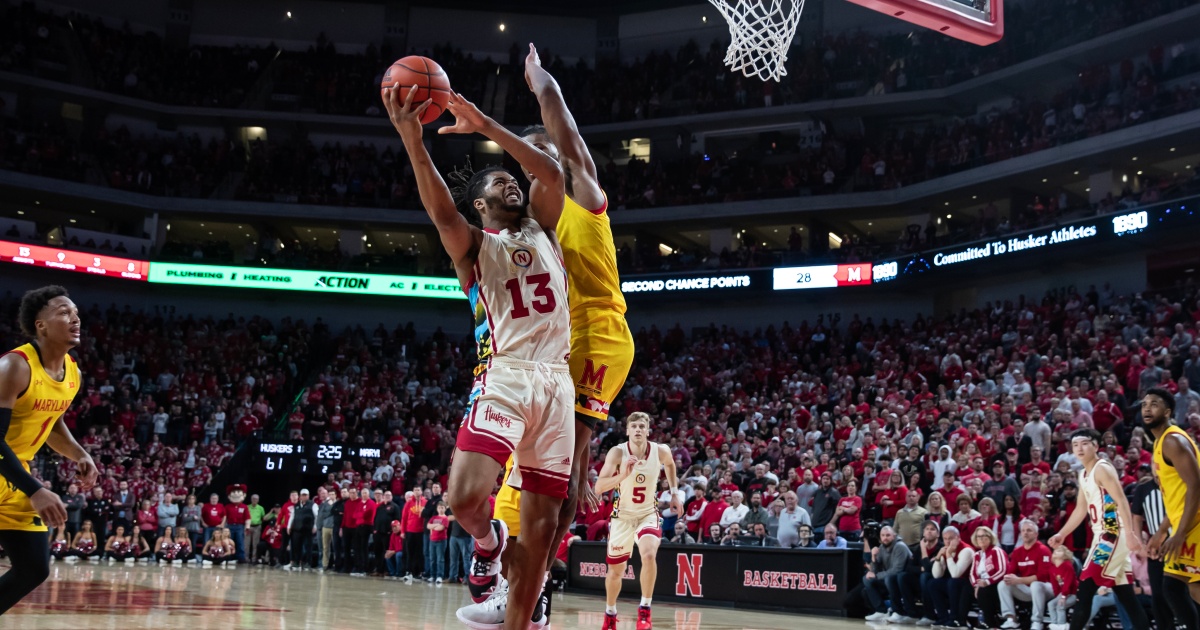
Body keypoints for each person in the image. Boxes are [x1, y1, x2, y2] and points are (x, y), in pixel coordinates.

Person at [384, 73, 570, 630]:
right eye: (496, 182)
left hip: (556, 381)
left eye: (511, 179)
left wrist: (488, 126)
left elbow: (551, 172)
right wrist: (413, 140)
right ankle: (488, 543)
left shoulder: (545, 226)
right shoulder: (472, 248)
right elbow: (442, 214)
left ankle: (519, 618)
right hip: (506, 377)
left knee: (541, 535)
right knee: (464, 499)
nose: (509, 183)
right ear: (481, 205)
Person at [0, 286, 98, 615]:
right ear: (41, 325)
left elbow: (51, 423)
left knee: (33, 568)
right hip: (15, 473)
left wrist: (79, 454)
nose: (75, 319)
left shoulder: (72, 374)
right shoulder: (15, 366)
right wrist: (36, 489)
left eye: (76, 313)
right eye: (63, 312)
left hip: (12, 474)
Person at [1049, 428, 1151, 630]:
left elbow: (1122, 500)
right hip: (1102, 534)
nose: (1079, 448)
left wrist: (1130, 535)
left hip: (1112, 533)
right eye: (1075, 444)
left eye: (1085, 443)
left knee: (1085, 589)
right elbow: (1080, 508)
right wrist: (1062, 533)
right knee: (1127, 596)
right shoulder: (1083, 474)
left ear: (1096, 446)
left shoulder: (1102, 468)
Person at [593, 412, 679, 630]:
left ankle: (645, 610)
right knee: (616, 572)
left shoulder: (660, 451)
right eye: (634, 426)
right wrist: (623, 474)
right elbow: (599, 487)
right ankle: (610, 613)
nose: (638, 429)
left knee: (649, 555)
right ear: (628, 431)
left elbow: (670, 465)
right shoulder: (617, 452)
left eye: (642, 426)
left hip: (647, 513)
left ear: (648, 430)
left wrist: (675, 492)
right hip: (622, 517)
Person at [1143, 386, 1200, 609]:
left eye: (1154, 404)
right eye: (1145, 405)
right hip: (1184, 523)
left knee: (1179, 587)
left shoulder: (1172, 441)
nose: (1147, 409)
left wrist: (1179, 533)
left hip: (1194, 524)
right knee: (1176, 587)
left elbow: (1196, 486)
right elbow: (1175, 494)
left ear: (1167, 412)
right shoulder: (1159, 443)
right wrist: (1161, 531)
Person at [998, 519, 1054, 630]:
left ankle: (1037, 622)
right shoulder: (1018, 551)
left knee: (1036, 585)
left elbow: (1043, 576)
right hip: (1027, 590)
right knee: (1003, 583)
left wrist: (1019, 580)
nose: (1025, 533)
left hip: (1047, 588)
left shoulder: (1044, 550)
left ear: (1036, 534)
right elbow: (1010, 572)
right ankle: (1011, 619)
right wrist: (1012, 578)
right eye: (1023, 530)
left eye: (1029, 530)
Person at [863, 525, 915, 622]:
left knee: (889, 578)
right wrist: (873, 557)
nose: (885, 538)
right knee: (867, 579)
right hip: (889, 579)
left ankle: (898, 611)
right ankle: (881, 611)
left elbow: (897, 570)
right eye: (883, 535)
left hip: (904, 581)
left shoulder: (900, 546)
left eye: (888, 535)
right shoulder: (882, 547)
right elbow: (874, 571)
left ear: (894, 536)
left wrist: (877, 575)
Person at [929, 525, 974, 628]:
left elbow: (956, 574)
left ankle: (955, 619)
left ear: (958, 538)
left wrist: (948, 554)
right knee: (933, 583)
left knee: (952, 581)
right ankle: (943, 617)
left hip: (969, 585)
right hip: (955, 584)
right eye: (945, 539)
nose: (948, 542)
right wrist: (938, 557)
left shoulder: (966, 550)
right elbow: (936, 575)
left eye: (951, 538)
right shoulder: (945, 549)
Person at [970, 526, 1008, 629]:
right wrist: (976, 585)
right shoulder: (977, 555)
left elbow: (1002, 570)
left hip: (997, 583)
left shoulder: (996, 551)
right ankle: (961, 620)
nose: (981, 539)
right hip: (982, 585)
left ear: (990, 537)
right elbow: (972, 574)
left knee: (984, 590)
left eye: (983, 536)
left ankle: (990, 623)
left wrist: (987, 581)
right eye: (978, 537)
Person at [1046, 546, 1080, 630]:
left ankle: (1062, 625)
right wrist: (1058, 596)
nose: (1056, 551)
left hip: (1073, 593)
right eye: (1055, 550)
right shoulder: (1052, 568)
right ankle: (1054, 624)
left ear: (1064, 554)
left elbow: (1068, 583)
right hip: (1062, 593)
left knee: (1060, 606)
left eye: (1059, 550)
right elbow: (1055, 584)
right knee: (1050, 604)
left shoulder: (1068, 566)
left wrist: (1063, 597)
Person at [428, 501, 451, 584]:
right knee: (432, 559)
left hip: (441, 541)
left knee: (440, 559)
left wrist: (433, 527)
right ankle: (432, 576)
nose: (440, 509)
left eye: (442, 508)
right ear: (437, 509)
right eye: (439, 508)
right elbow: (428, 526)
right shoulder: (434, 517)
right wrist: (435, 526)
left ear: (445, 509)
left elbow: (440, 528)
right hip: (432, 540)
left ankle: (439, 576)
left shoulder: (445, 518)